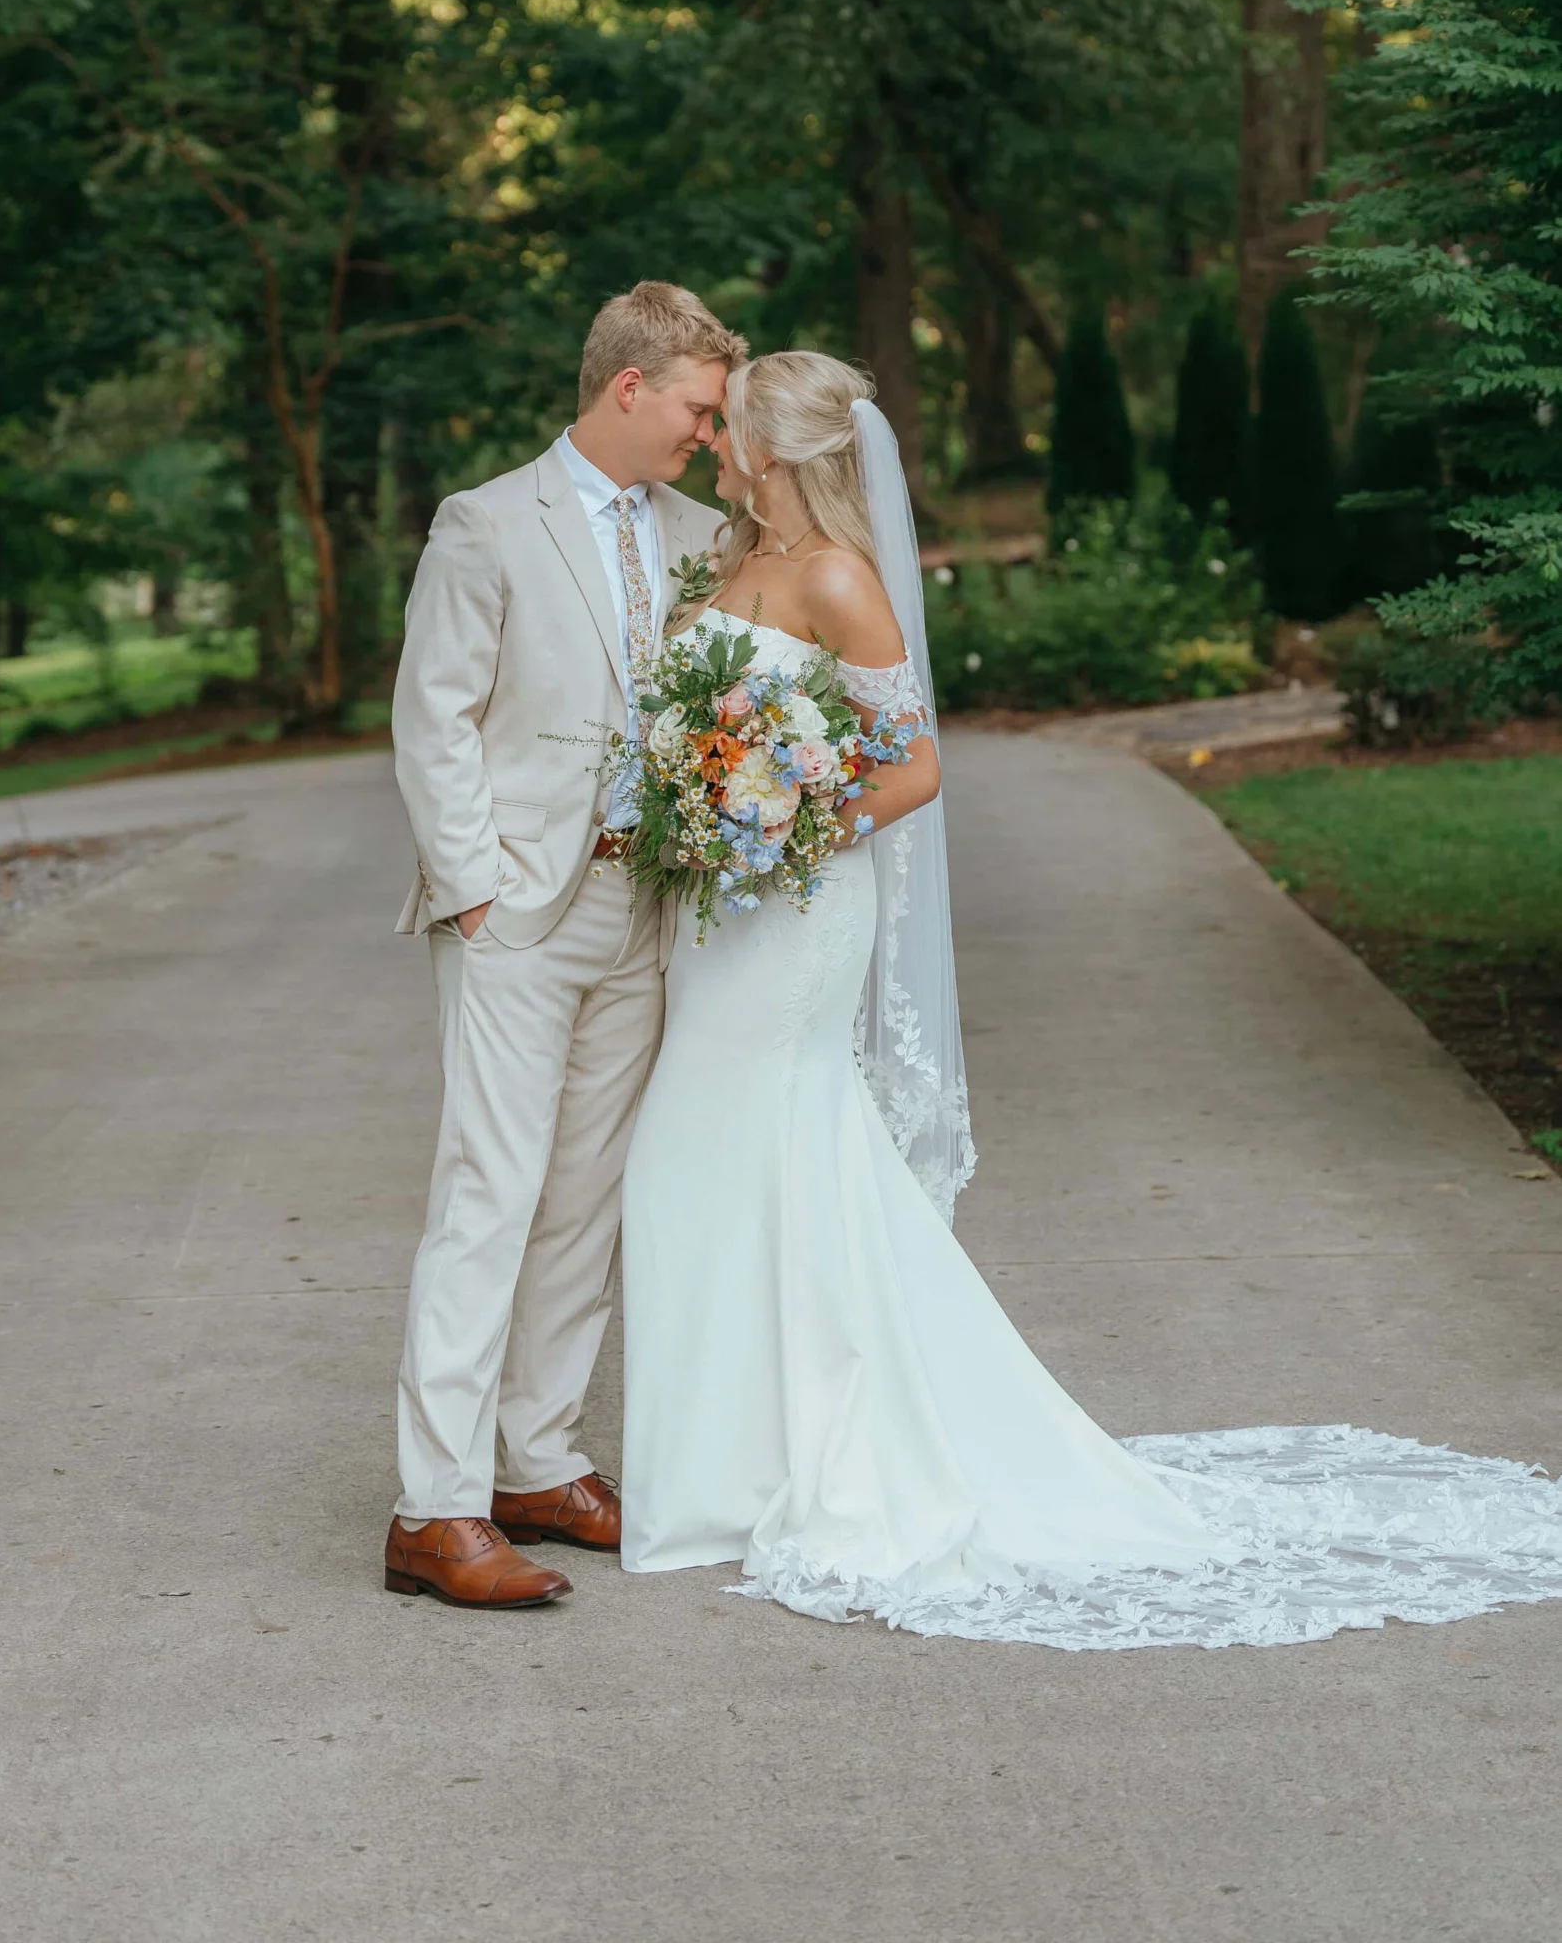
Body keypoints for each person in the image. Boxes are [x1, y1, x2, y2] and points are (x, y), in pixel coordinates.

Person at [620, 350, 1562, 1647]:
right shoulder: (724, 563)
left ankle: (815, 1457)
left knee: (757, 1146)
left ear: (777, 448)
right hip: (718, 915)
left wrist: (777, 822)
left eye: (728, 428)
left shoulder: (838, 578)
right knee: (704, 1166)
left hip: (790, 908)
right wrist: (701, 805)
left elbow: (911, 770)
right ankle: (723, 1473)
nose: (714, 443)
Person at [384, 282, 744, 1609]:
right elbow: (433, 713)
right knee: (490, 1191)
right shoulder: (485, 523)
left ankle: (537, 1459)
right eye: (697, 411)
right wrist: (478, 888)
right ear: (628, 387)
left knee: (586, 1198)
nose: (706, 436)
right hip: (519, 914)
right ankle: (433, 1507)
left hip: (644, 910)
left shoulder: (704, 536)